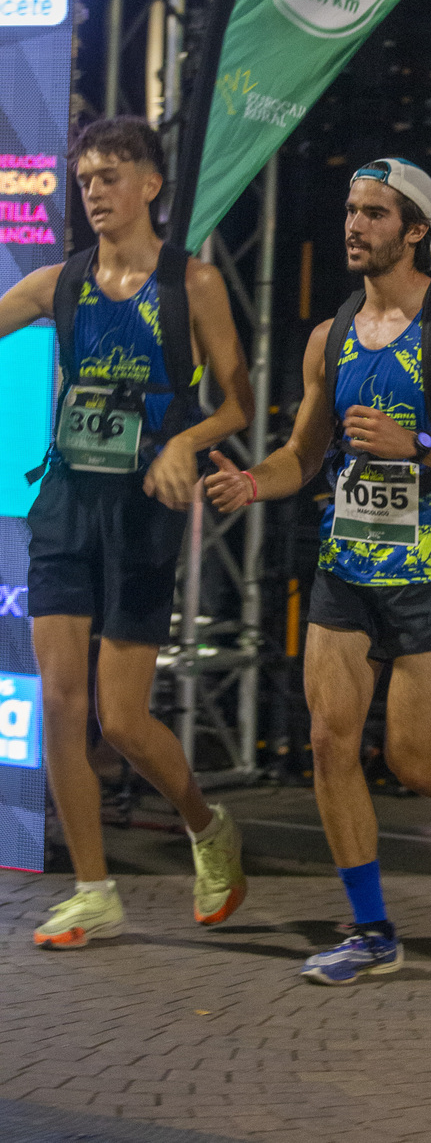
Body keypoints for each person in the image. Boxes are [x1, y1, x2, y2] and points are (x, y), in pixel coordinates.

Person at [206, 156, 431, 986]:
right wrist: (254, 482)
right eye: (352, 211)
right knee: (329, 740)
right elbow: (303, 453)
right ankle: (370, 930)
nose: (355, 226)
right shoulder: (329, 338)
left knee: (412, 759)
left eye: (375, 214)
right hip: (347, 567)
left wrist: (420, 444)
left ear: (417, 230)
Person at [0, 117, 254, 949]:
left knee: (121, 719)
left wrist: (184, 442)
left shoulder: (196, 284)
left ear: (151, 184)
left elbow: (238, 405)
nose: (95, 193)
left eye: (110, 176)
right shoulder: (59, 283)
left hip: (146, 507)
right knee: (63, 707)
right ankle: (92, 888)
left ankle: (204, 825)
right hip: (65, 504)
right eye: (84, 181)